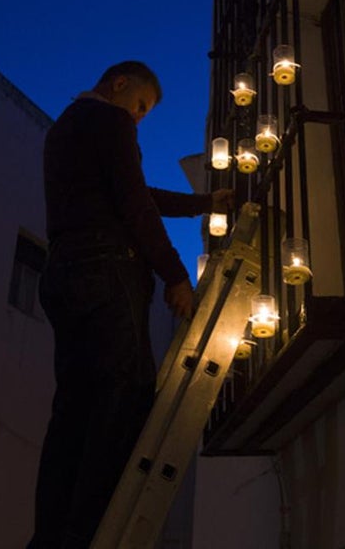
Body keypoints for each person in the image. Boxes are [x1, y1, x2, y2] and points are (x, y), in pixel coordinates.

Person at [28, 61, 234, 549]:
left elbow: (136, 193)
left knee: (73, 411)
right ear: (120, 84)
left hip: (63, 272)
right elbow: (134, 204)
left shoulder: (64, 130)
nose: (139, 119)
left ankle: (51, 536)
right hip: (107, 271)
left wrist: (204, 205)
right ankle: (91, 531)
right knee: (126, 397)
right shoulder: (111, 121)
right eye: (140, 106)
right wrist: (176, 273)